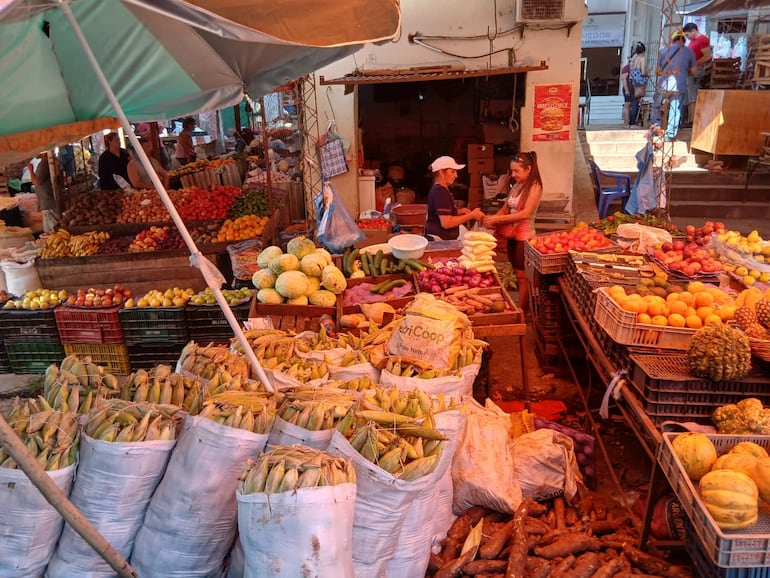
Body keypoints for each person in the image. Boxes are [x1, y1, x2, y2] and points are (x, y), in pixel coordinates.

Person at [483, 151, 543, 316]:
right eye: (512, 171)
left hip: (525, 237)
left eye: (517, 171)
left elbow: (525, 214)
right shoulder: (516, 186)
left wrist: (497, 219)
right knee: (517, 273)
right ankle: (522, 307)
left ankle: (522, 311)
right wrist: (492, 219)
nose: (513, 174)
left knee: (523, 276)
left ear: (528, 169)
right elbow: (505, 208)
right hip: (512, 236)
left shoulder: (535, 186)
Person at [425, 156, 485, 240]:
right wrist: (472, 215)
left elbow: (439, 214)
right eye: (452, 171)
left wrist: (457, 212)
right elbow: (446, 223)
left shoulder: (439, 189)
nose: (456, 175)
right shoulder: (440, 191)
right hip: (440, 240)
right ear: (441, 172)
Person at [652, 30, 696, 141]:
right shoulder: (689, 52)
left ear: (673, 40)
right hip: (679, 85)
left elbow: (657, 71)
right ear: (683, 40)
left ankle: (656, 127)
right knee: (675, 109)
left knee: (656, 105)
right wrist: (684, 70)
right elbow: (694, 71)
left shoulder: (664, 51)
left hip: (663, 84)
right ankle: (670, 135)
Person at [683, 22, 712, 125]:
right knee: (689, 96)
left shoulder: (703, 39)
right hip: (690, 71)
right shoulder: (693, 41)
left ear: (693, 31)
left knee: (693, 95)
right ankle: (689, 119)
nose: (687, 37)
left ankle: (692, 120)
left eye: (688, 35)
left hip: (696, 70)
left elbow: (706, 56)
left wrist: (694, 65)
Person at [27, 152, 60, 233]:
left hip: (48, 202)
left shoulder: (44, 164)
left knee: (52, 230)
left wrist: (31, 170)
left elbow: (37, 182)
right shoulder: (49, 162)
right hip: (49, 200)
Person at [628, 42, 648, 129]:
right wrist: (648, 73)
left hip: (631, 81)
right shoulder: (642, 59)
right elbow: (643, 72)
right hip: (638, 84)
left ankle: (630, 122)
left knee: (632, 102)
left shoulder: (633, 58)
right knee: (635, 103)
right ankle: (633, 123)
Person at [621, 58, 632, 128]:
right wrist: (627, 90)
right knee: (627, 105)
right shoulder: (626, 68)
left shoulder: (635, 68)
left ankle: (629, 123)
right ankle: (626, 123)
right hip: (627, 88)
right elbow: (624, 79)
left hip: (633, 89)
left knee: (630, 105)